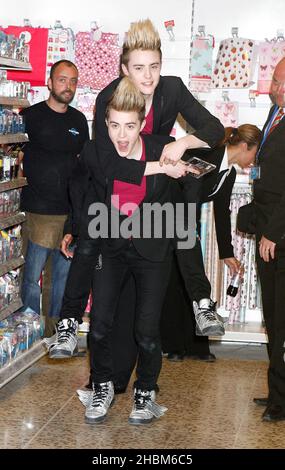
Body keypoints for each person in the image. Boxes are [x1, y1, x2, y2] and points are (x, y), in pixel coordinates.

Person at [46, 19, 224, 368]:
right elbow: (107, 165)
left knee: (183, 224)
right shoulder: (108, 98)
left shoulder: (171, 89)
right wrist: (163, 162)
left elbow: (214, 129)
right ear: (124, 68)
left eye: (154, 67)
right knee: (89, 236)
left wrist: (183, 142)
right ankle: (68, 322)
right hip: (113, 181)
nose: (148, 77)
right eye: (139, 68)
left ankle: (201, 303)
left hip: (151, 185)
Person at [71, 77, 192, 424]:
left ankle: (146, 393)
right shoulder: (100, 152)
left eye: (129, 126)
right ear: (105, 123)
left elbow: (195, 176)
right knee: (99, 326)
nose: (121, 135)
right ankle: (103, 385)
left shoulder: (163, 147)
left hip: (152, 251)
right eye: (114, 126)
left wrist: (186, 162)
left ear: (142, 124)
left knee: (146, 330)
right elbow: (84, 191)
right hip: (110, 248)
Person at [161, 124, 262, 362]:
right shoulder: (208, 156)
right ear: (245, 147)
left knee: (188, 281)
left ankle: (194, 346)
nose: (255, 159)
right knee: (175, 281)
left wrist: (227, 253)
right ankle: (174, 345)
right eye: (255, 152)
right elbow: (184, 189)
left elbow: (222, 211)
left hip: (184, 223)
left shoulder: (229, 173)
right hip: (167, 216)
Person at [20, 60, 89, 323]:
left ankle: (56, 334)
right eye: (62, 79)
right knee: (31, 278)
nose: (68, 86)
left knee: (62, 280)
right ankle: (27, 333)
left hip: (70, 214)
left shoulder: (79, 121)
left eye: (73, 81)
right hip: (38, 210)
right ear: (49, 83)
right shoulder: (30, 116)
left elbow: (84, 166)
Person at [248, 57, 285, 422]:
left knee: (281, 316)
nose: (275, 88)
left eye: (280, 82)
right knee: (272, 316)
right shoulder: (275, 113)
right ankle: (277, 390)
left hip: (279, 231)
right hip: (266, 226)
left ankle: (281, 399)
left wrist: (273, 232)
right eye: (275, 80)